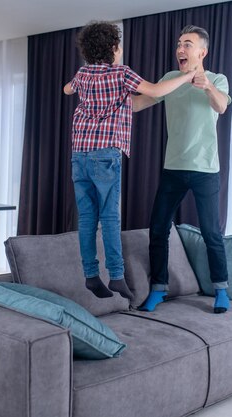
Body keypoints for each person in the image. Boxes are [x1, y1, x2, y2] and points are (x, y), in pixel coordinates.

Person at [64, 21, 195, 299]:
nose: (121, 50)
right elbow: (156, 91)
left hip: (79, 154)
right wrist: (187, 76)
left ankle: (90, 274)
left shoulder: (83, 73)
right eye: (119, 46)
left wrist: (82, 90)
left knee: (87, 218)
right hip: (106, 155)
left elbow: (67, 90)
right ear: (112, 49)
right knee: (110, 217)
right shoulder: (121, 74)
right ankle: (116, 275)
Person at [133, 25, 232, 314]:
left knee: (212, 233)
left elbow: (222, 106)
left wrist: (207, 86)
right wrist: (105, 101)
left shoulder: (217, 80)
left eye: (187, 44)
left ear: (202, 52)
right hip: (173, 167)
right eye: (179, 43)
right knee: (158, 229)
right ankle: (158, 289)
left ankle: (221, 291)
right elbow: (141, 102)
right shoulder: (170, 79)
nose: (180, 49)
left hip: (205, 169)